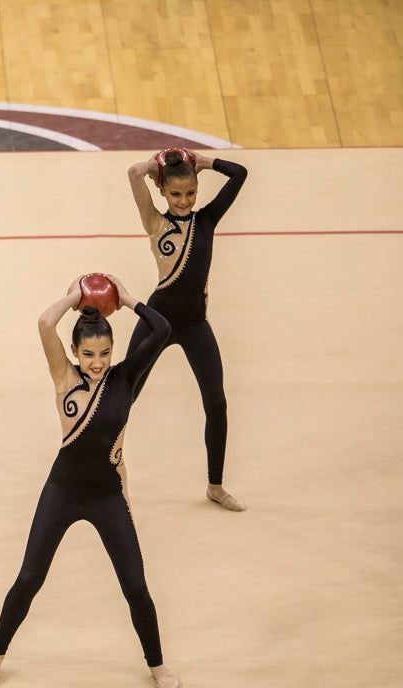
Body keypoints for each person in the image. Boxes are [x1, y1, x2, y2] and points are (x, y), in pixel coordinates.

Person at [0, 276, 180, 688]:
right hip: (63, 492)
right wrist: (76, 297)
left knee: (136, 586)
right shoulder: (64, 378)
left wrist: (127, 300)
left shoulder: (126, 378)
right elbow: (44, 323)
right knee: (30, 577)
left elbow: (162, 329)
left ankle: (157, 664)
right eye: (88, 354)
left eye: (105, 353)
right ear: (74, 352)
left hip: (108, 496)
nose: (97, 361)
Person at [126, 148, 249, 511]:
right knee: (122, 397)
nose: (184, 201)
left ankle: (216, 485)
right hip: (158, 321)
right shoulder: (155, 223)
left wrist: (203, 161)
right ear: (163, 192)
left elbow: (240, 174)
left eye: (191, 193)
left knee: (216, 402)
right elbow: (134, 171)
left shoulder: (207, 220)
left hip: (196, 324)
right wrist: (157, 168)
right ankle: (103, 473)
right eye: (176, 194)